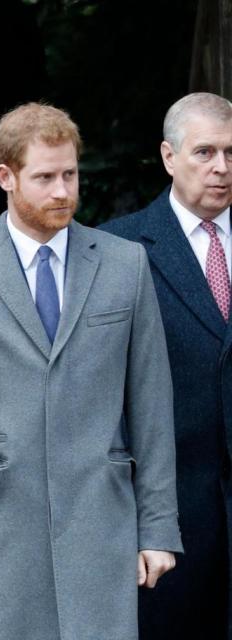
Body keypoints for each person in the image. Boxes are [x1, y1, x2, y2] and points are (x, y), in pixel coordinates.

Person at [0, 103, 181, 639]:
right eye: (45, 177)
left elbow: (151, 405)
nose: (63, 191)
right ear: (6, 177)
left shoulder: (126, 265)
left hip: (102, 525)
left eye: (70, 174)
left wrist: (159, 528)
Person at [101, 92, 232, 639]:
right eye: (204, 152)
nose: (222, 168)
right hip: (169, 516)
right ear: (168, 156)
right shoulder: (118, 248)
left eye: (231, 152)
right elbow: (103, 395)